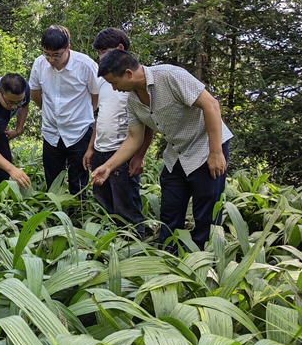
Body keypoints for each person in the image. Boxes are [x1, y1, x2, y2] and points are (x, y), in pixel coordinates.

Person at [91, 50, 233, 250]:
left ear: (129, 74)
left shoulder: (169, 76)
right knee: (169, 211)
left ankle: (205, 264)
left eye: (114, 83)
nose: (114, 89)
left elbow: (211, 105)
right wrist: (107, 166)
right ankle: (167, 258)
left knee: (206, 214)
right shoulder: (132, 100)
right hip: (176, 154)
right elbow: (134, 138)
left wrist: (216, 152)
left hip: (206, 147)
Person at [83, 29, 151, 240]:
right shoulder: (104, 80)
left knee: (126, 205)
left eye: (104, 51)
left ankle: (135, 247)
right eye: (99, 53)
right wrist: (91, 148)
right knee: (105, 204)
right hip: (100, 151)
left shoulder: (135, 80)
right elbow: (100, 115)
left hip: (122, 152)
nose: (101, 56)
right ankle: (115, 247)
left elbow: (149, 121)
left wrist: (139, 155)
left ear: (120, 49)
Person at [29, 25, 99, 197]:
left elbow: (97, 96)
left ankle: (78, 217)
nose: (51, 59)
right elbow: (35, 94)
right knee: (53, 180)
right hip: (51, 132)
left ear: (67, 48)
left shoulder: (86, 65)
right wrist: (50, 112)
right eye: (47, 54)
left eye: (56, 55)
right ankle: (55, 217)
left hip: (80, 131)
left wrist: (84, 113)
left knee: (79, 180)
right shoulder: (39, 64)